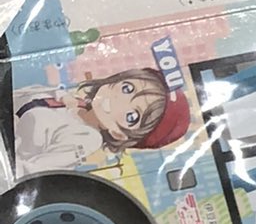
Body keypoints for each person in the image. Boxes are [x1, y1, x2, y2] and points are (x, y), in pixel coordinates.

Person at [12, 64, 190, 168]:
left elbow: (30, 170)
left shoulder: (87, 138)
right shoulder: (73, 102)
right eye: (127, 88)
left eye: (132, 116)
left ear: (120, 134)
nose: (118, 100)